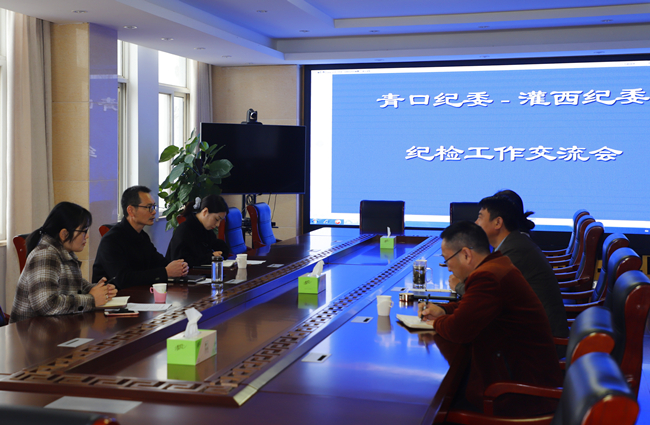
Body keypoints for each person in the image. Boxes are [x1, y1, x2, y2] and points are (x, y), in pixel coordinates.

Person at [420, 221, 563, 416]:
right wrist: (443, 310)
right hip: (519, 378)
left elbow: (458, 329)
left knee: (437, 410)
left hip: (518, 395)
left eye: (447, 260)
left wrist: (435, 322)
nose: (448, 268)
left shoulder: (487, 277)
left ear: (466, 254)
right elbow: (473, 308)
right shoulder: (497, 264)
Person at [475, 194, 569, 357]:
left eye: (480, 217)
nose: (476, 223)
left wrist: (459, 284)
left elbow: (485, 295)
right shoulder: (514, 243)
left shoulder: (515, 251)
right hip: (534, 332)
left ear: (498, 223)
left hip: (544, 343)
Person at [10, 202, 118, 323]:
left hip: (57, 326)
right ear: (64, 234)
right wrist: (91, 299)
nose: (87, 236)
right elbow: (46, 305)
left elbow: (75, 285)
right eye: (84, 231)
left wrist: (100, 291)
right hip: (31, 331)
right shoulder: (45, 255)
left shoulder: (64, 252)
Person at [92, 185, 188, 289]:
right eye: (149, 207)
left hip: (141, 293)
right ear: (131, 210)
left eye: (154, 206)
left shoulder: (142, 236)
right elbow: (122, 279)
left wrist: (178, 267)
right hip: (115, 296)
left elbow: (159, 263)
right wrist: (165, 272)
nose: (154, 212)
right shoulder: (111, 240)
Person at [166, 195, 231, 267]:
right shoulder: (185, 230)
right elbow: (181, 262)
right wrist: (210, 257)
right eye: (216, 219)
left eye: (220, 221)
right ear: (205, 212)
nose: (218, 224)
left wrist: (220, 253)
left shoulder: (206, 229)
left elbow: (220, 247)